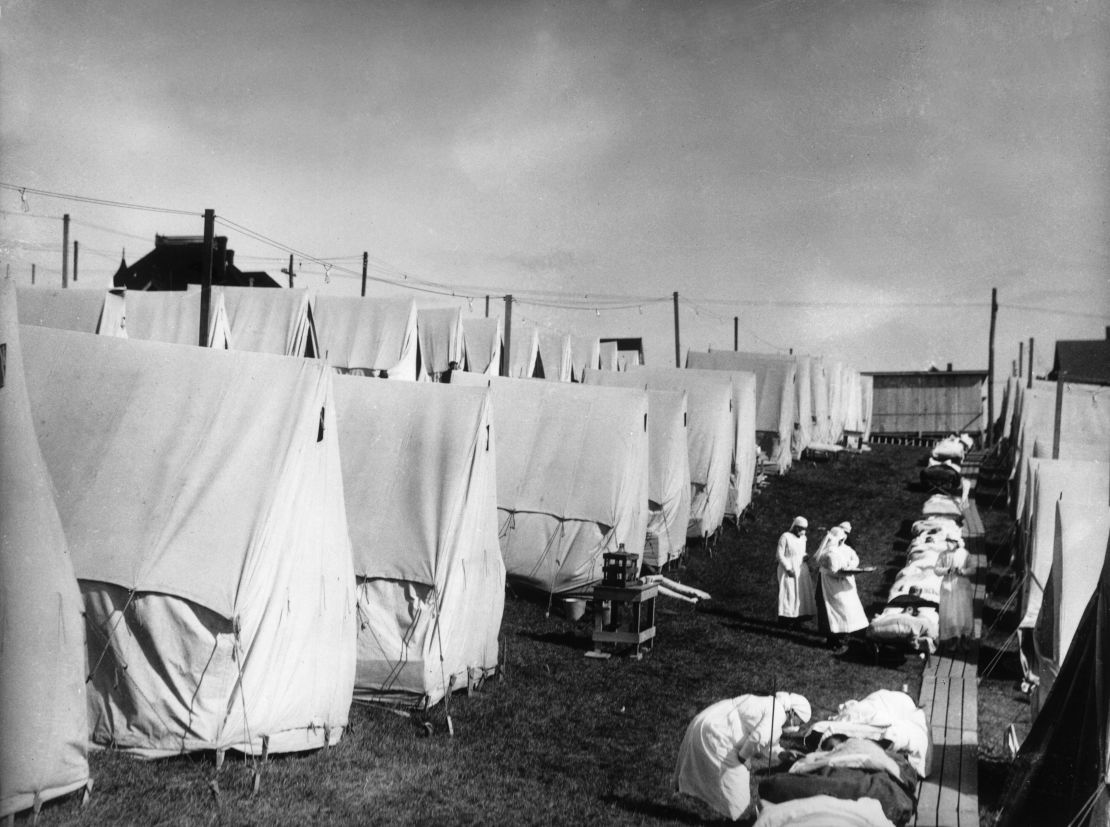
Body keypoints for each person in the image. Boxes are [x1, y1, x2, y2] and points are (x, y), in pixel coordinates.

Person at [674, 692, 812, 822]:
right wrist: (743, 757)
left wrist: (782, 754)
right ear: (793, 712)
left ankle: (727, 816)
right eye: (799, 722)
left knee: (728, 780)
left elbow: (767, 740)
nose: (798, 727)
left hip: (712, 720)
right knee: (738, 792)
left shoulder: (773, 706)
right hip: (718, 730)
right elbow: (758, 738)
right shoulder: (778, 713)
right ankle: (736, 820)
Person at [813, 524, 869, 650]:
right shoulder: (828, 553)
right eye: (840, 540)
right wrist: (847, 571)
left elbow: (854, 557)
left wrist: (851, 565)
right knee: (832, 611)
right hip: (831, 585)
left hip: (842, 583)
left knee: (845, 609)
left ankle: (842, 635)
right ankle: (832, 639)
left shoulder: (843, 549)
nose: (842, 542)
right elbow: (834, 571)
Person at [776, 516, 816, 628]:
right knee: (788, 594)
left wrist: (805, 556)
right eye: (800, 528)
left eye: (804, 529)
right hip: (788, 569)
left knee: (801, 594)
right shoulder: (785, 537)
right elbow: (779, 555)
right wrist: (788, 568)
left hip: (801, 569)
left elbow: (801, 552)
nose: (802, 531)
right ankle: (785, 620)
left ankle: (798, 620)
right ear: (795, 527)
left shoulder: (803, 538)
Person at [935, 537, 974, 650]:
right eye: (947, 541)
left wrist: (962, 571)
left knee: (963, 614)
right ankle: (952, 640)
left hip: (962, 587)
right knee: (949, 614)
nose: (949, 544)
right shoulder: (943, 554)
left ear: (957, 543)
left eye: (951, 541)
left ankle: (963, 639)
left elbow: (972, 569)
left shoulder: (965, 554)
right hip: (948, 587)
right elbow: (936, 569)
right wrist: (947, 570)